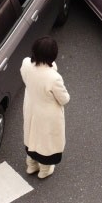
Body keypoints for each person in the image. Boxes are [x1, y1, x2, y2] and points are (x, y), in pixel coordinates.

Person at [20, 36, 70, 179]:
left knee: (31, 136)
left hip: (31, 106)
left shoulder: (25, 64)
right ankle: (44, 170)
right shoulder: (54, 77)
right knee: (46, 142)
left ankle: (31, 165)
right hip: (48, 114)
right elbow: (64, 99)